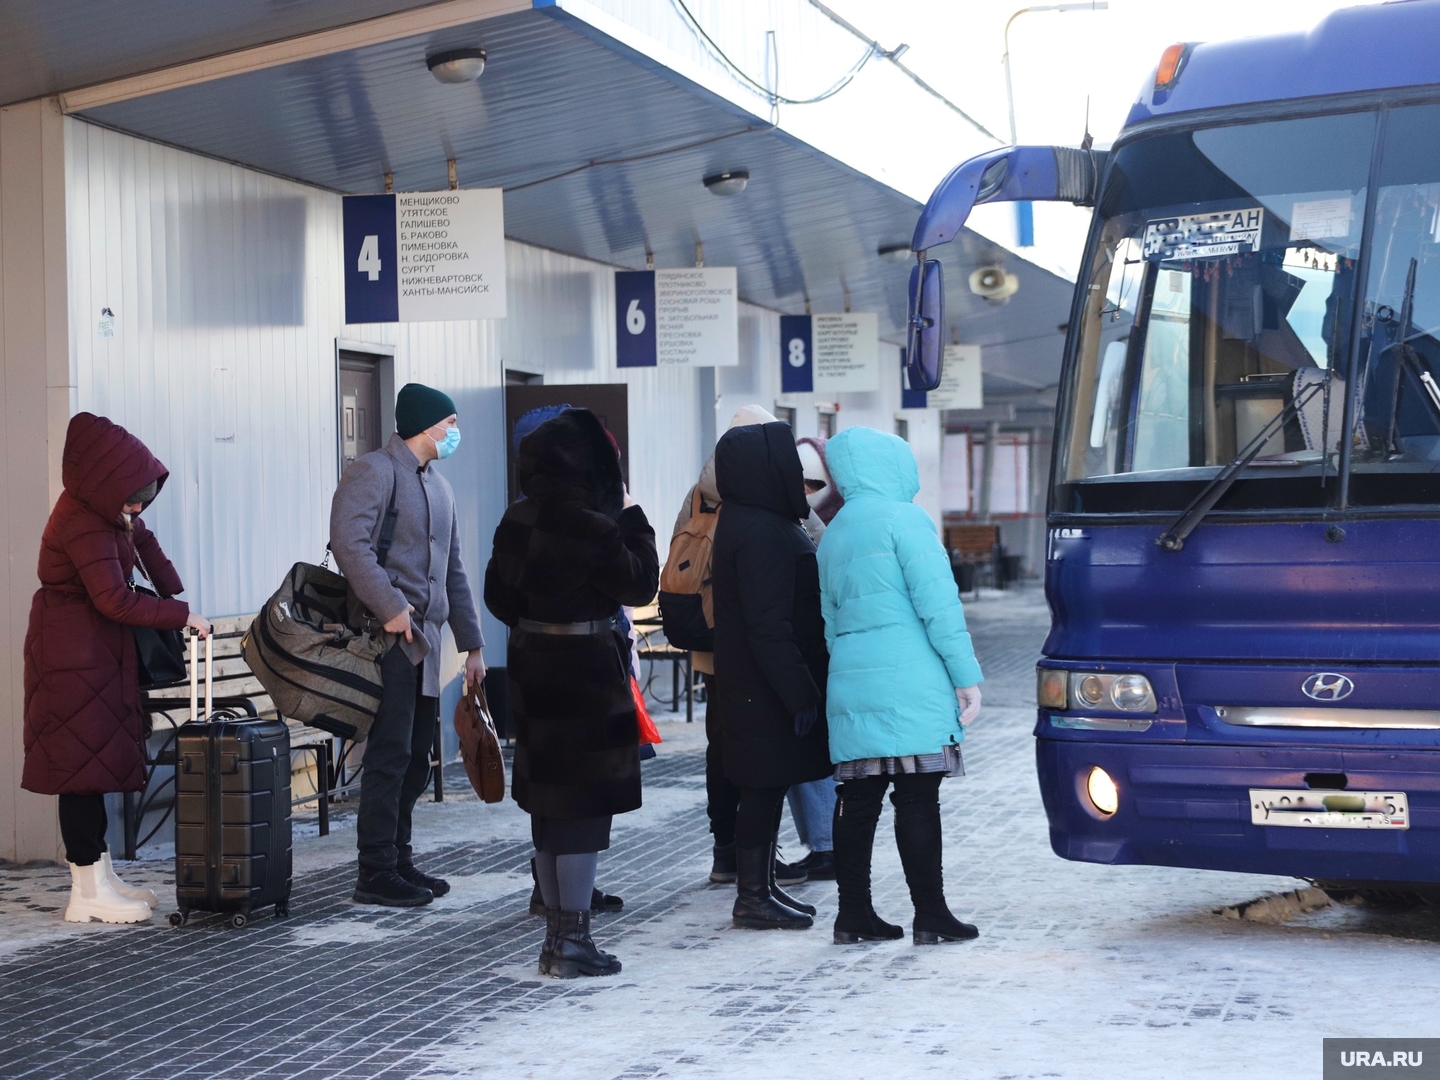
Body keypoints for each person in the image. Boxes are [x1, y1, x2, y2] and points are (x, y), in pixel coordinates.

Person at [485, 408, 658, 978]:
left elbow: (497, 600)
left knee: (547, 803)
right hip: (585, 673)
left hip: (533, 668)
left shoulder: (518, 519)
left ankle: (557, 936)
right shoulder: (592, 524)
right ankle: (572, 941)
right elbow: (639, 582)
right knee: (582, 807)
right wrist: (634, 518)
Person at [23, 412, 212, 924]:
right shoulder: (83, 520)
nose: (136, 509)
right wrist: (181, 614)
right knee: (78, 769)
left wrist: (171, 586)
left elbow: (141, 541)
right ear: (107, 487)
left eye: (143, 500)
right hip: (72, 655)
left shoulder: (104, 509)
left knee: (93, 764)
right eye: (132, 500)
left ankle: (100, 876)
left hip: (90, 651)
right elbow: (113, 599)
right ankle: (85, 889)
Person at [818, 426, 983, 946]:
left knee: (857, 798)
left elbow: (828, 621)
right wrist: (966, 678)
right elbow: (940, 608)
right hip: (911, 681)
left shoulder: (834, 530)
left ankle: (853, 916)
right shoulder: (905, 519)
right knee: (916, 799)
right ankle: (931, 915)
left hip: (851, 681)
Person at [330, 382, 486, 907]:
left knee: (418, 755)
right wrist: (390, 606)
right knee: (390, 754)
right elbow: (348, 543)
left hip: (429, 642)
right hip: (389, 639)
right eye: (449, 424)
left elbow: (454, 572)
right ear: (424, 424)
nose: (454, 432)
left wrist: (473, 646)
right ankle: (374, 870)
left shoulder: (438, 486)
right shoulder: (374, 471)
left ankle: (399, 858)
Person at [667, 405, 807, 889]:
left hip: (711, 640)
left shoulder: (701, 493)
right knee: (758, 757)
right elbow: (809, 547)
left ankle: (726, 850)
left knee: (724, 748)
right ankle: (754, 866)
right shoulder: (760, 499)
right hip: (752, 642)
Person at [711, 421, 831, 931]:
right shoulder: (759, 530)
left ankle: (762, 888)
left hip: (759, 682)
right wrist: (801, 691)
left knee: (769, 784)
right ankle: (753, 895)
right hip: (765, 686)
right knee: (762, 787)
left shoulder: (752, 518)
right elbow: (769, 626)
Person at [783, 435, 846, 881]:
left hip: (824, 653)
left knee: (816, 752)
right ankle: (821, 842)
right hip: (807, 647)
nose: (806, 492)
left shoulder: (841, 524)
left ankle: (826, 843)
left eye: (813, 482)